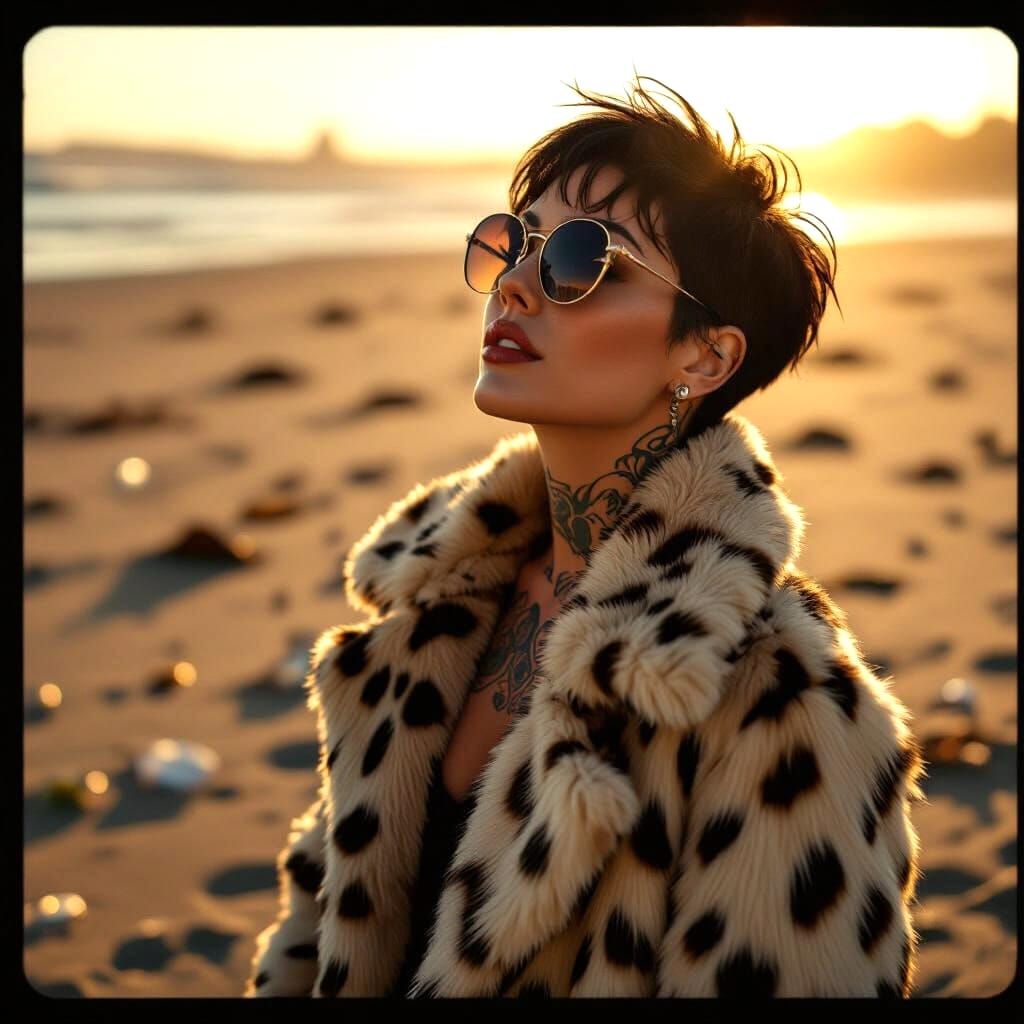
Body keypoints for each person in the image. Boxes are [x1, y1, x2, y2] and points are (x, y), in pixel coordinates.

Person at [245, 75, 924, 998]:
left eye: (581, 259)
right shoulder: (431, 604)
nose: (517, 284)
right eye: (512, 242)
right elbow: (322, 926)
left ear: (704, 355)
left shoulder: (781, 704)